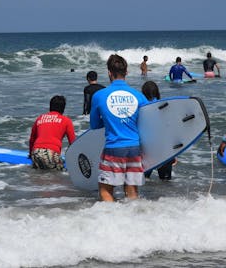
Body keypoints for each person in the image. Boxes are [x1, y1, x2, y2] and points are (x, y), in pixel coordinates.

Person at [90, 54, 148, 201]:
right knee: (132, 193)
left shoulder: (99, 95)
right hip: (135, 148)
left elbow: (94, 125)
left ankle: (112, 221)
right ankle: (131, 221)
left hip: (114, 147)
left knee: (105, 190)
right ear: (126, 72)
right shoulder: (139, 96)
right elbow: (147, 124)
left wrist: (111, 120)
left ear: (109, 72)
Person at [141, 81, 177, 180]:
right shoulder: (164, 106)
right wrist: (173, 153)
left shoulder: (140, 108)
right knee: (166, 183)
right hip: (163, 149)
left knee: (144, 181)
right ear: (157, 92)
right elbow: (168, 130)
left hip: (146, 151)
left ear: (143, 92)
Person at [29, 95, 76, 170]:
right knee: (58, 178)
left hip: (36, 152)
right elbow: (73, 143)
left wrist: (30, 154)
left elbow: (32, 139)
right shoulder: (66, 120)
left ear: (50, 106)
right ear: (63, 108)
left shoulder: (40, 118)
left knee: (39, 176)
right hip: (51, 153)